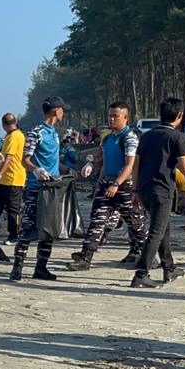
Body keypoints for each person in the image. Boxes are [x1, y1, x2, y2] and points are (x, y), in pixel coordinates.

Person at [130, 98, 185, 288]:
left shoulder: (147, 136)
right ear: (180, 116)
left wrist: (135, 189)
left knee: (163, 228)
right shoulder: (177, 137)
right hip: (162, 190)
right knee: (156, 232)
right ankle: (141, 274)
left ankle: (169, 268)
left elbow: (136, 164)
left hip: (145, 188)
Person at [65, 101, 148, 271]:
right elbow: (102, 160)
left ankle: (144, 254)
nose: (111, 119)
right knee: (97, 221)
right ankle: (85, 257)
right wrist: (91, 166)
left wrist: (117, 184)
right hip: (106, 184)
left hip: (124, 186)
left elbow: (130, 165)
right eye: (110, 115)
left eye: (115, 116)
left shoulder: (130, 137)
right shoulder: (108, 138)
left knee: (135, 224)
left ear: (125, 118)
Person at [9, 97, 67, 281]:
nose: (63, 113)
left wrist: (67, 170)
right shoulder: (36, 133)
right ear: (56, 111)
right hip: (36, 189)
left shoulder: (55, 134)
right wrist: (36, 170)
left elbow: (53, 160)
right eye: (62, 110)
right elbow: (25, 160)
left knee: (48, 230)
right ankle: (17, 268)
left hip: (53, 188)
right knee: (27, 228)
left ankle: (41, 268)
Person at [0, 113, 26, 244]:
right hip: (6, 179)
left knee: (13, 210)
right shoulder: (13, 135)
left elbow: (9, 158)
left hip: (13, 178)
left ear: (3, 125)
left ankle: (13, 235)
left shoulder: (14, 136)